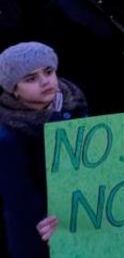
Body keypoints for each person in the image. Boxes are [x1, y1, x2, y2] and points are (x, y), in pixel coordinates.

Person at [0, 42, 88, 257]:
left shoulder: (74, 105)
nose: (44, 81)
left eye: (48, 71)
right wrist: (45, 223)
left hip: (85, 223)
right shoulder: (8, 137)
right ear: (14, 90)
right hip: (44, 237)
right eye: (30, 78)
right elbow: (20, 207)